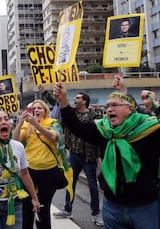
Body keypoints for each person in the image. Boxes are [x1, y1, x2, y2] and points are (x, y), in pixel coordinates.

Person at [53, 81, 160, 229]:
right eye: (108, 106)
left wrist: (156, 105)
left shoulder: (150, 130)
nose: (109, 109)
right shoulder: (103, 130)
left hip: (144, 208)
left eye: (114, 105)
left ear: (130, 109)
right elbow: (76, 126)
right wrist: (63, 101)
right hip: (112, 206)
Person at [13, 99, 72, 229]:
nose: (37, 110)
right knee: (27, 207)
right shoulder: (26, 126)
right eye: (34, 108)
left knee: (43, 208)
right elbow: (14, 140)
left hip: (49, 173)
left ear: (45, 110)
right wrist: (20, 123)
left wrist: (37, 126)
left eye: (39, 108)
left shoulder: (53, 123)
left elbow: (53, 137)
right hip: (29, 172)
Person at [53, 92, 103, 227]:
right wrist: (44, 92)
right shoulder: (72, 114)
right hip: (74, 154)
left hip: (89, 156)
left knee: (93, 185)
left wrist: (99, 155)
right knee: (70, 183)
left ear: (85, 101)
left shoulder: (95, 115)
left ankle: (96, 213)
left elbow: (100, 134)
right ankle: (67, 209)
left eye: (78, 98)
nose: (75, 99)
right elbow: (56, 104)